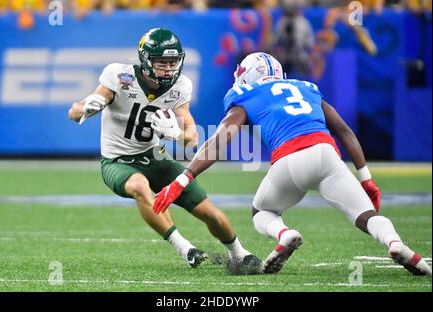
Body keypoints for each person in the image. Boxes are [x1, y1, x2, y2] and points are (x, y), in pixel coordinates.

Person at [153, 52, 432, 276]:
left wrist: (183, 178)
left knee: (262, 211)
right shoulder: (305, 87)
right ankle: (396, 243)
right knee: (365, 215)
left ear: (247, 76)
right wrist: (366, 178)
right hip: (328, 155)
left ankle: (285, 234)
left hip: (291, 158)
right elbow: (345, 131)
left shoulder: (245, 95)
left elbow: (218, 141)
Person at [68, 28, 261, 274]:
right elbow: (73, 113)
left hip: (156, 158)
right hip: (118, 162)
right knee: (138, 185)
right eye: (162, 62)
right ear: (146, 60)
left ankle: (239, 253)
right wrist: (86, 107)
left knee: (209, 212)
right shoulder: (119, 76)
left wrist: (176, 134)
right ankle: (185, 248)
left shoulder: (180, 86)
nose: (169, 69)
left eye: (173, 62)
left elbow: (191, 138)